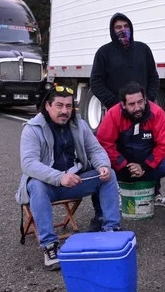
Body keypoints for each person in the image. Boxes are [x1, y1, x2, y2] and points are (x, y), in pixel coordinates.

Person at [16, 85, 121, 270]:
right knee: (36, 186)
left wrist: (103, 165)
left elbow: (95, 150)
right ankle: (49, 246)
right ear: (47, 106)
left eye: (69, 106)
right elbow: (29, 164)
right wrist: (60, 177)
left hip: (77, 181)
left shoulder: (79, 124)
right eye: (59, 105)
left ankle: (111, 230)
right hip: (49, 186)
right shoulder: (32, 129)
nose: (65, 111)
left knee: (109, 175)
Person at [89, 13, 163, 227]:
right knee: (114, 149)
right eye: (117, 27)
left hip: (143, 111)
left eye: (125, 26)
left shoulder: (143, 49)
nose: (122, 30)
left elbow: (153, 77)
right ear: (112, 31)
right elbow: (96, 82)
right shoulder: (104, 53)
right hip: (117, 112)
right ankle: (115, 196)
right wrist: (114, 103)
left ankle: (153, 191)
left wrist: (147, 100)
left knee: (148, 147)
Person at [96, 82, 165, 230]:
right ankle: (102, 217)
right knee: (98, 167)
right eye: (132, 104)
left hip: (148, 169)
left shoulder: (156, 113)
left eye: (140, 102)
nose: (137, 108)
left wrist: (145, 166)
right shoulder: (113, 114)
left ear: (145, 99)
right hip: (121, 169)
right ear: (123, 104)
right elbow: (104, 143)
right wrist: (123, 165)